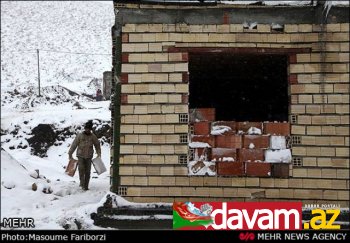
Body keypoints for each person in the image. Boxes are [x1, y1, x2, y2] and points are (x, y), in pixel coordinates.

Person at [68, 120, 101, 190]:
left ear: (90, 129)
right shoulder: (79, 136)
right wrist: (70, 153)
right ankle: (82, 184)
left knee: (88, 172)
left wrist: (99, 154)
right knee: (81, 169)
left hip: (89, 156)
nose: (87, 130)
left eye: (89, 129)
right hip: (80, 156)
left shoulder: (93, 137)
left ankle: (86, 186)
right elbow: (74, 144)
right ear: (85, 128)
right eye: (86, 128)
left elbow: (97, 145)